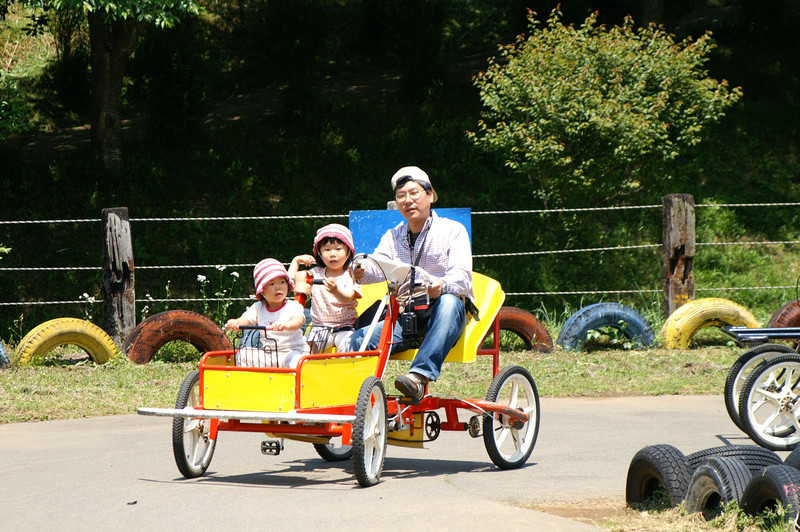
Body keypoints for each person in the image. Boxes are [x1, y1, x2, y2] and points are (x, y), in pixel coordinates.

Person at [349, 166, 473, 401]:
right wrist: (359, 269)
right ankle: (355, 396)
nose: (408, 200)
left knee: (448, 301)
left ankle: (419, 377)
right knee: (357, 339)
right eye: (401, 196)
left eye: (414, 193)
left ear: (430, 195)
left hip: (443, 315)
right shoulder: (393, 236)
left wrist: (442, 285)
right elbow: (376, 268)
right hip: (407, 318)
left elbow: (463, 276)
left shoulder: (453, 231)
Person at [224, 258, 309, 368]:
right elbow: (245, 320)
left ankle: (295, 378)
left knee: (296, 360)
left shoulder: (293, 306)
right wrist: (235, 323)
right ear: (262, 291)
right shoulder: (258, 307)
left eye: (282, 282)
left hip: (292, 351)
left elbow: (299, 320)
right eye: (271, 284)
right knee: (243, 354)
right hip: (269, 353)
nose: (278, 287)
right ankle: (246, 378)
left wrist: (286, 325)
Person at [289, 223, 361, 352]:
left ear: (348, 251)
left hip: (345, 327)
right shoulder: (316, 273)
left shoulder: (351, 273)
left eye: (338, 249)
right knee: (305, 350)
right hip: (319, 328)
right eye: (327, 249)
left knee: (349, 348)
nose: (332, 254)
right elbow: (290, 282)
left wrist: (335, 290)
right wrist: (296, 261)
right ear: (320, 253)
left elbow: (347, 297)